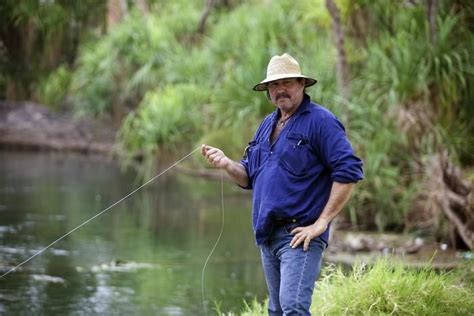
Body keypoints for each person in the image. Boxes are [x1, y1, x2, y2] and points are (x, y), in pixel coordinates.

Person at [201, 53, 363, 315]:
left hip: (300, 236)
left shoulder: (321, 121)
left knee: (293, 308)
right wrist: (226, 163)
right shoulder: (266, 125)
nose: (280, 89)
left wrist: (321, 224)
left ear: (301, 84)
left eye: (287, 82)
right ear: (268, 92)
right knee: (276, 310)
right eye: (274, 85)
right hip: (267, 235)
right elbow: (248, 176)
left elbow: (349, 171)